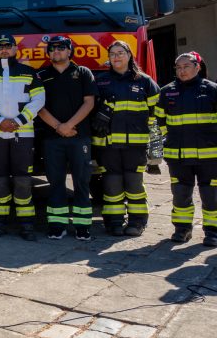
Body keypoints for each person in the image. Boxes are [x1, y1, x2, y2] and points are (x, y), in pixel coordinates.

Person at [0, 34, 45, 241]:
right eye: (0, 47)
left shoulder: (29, 73)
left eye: (8, 46)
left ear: (15, 49)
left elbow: (39, 99)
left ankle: (26, 224)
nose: (4, 49)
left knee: (23, 178)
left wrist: (19, 120)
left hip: (22, 134)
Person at [93, 41, 160, 237]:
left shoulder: (145, 81)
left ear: (129, 55)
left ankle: (137, 222)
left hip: (135, 144)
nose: (116, 57)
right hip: (108, 144)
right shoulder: (100, 81)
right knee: (111, 183)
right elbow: (89, 108)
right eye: (112, 53)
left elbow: (157, 113)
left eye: (120, 52)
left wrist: (155, 146)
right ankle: (114, 222)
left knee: (134, 183)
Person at [37, 35, 98, 240]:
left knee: (81, 181)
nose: (56, 51)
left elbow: (89, 103)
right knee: (55, 182)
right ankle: (57, 225)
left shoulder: (83, 73)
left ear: (69, 51)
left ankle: (83, 226)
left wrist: (69, 125)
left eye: (61, 48)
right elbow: (38, 107)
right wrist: (58, 127)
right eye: (52, 48)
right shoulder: (41, 76)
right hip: (52, 138)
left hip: (79, 137)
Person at [156, 51, 217, 246]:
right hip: (178, 155)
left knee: (211, 194)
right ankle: (182, 229)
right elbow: (159, 120)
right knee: (181, 193)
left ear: (197, 67)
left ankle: (213, 232)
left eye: (186, 66)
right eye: (178, 67)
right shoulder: (166, 92)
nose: (182, 71)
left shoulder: (212, 90)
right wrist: (170, 139)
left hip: (209, 155)